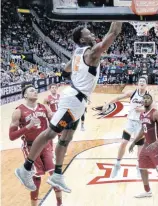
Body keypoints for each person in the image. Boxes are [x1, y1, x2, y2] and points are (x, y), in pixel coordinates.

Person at [15, 22, 123, 193]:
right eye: (89, 34)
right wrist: (121, 14)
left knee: (66, 138)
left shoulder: (78, 53)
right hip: (73, 101)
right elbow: (113, 33)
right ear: (82, 39)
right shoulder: (92, 53)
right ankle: (26, 168)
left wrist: (75, 72)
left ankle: (57, 175)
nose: (93, 35)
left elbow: (66, 69)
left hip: (77, 101)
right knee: (50, 133)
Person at [10, 85, 63, 206]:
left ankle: (60, 203)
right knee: (36, 179)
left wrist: (64, 120)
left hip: (46, 145)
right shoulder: (18, 111)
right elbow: (12, 136)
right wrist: (27, 127)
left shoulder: (44, 107)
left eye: (36, 90)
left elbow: (54, 122)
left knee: (54, 174)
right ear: (25, 95)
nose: (35, 91)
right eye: (32, 90)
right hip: (30, 147)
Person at [129, 93, 158, 206]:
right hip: (146, 145)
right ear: (142, 101)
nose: (145, 100)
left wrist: (156, 143)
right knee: (141, 167)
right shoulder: (142, 114)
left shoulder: (156, 113)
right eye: (144, 98)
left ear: (151, 100)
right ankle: (147, 191)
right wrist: (134, 142)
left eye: (148, 98)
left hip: (157, 146)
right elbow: (143, 130)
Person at [102, 76, 149, 178]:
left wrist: (142, 109)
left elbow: (153, 108)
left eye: (143, 81)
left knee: (140, 147)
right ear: (137, 83)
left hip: (140, 124)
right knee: (124, 142)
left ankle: (139, 166)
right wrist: (108, 103)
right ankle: (117, 164)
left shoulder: (148, 96)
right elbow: (118, 98)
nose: (141, 82)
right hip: (130, 121)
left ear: (146, 84)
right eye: (140, 81)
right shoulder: (132, 93)